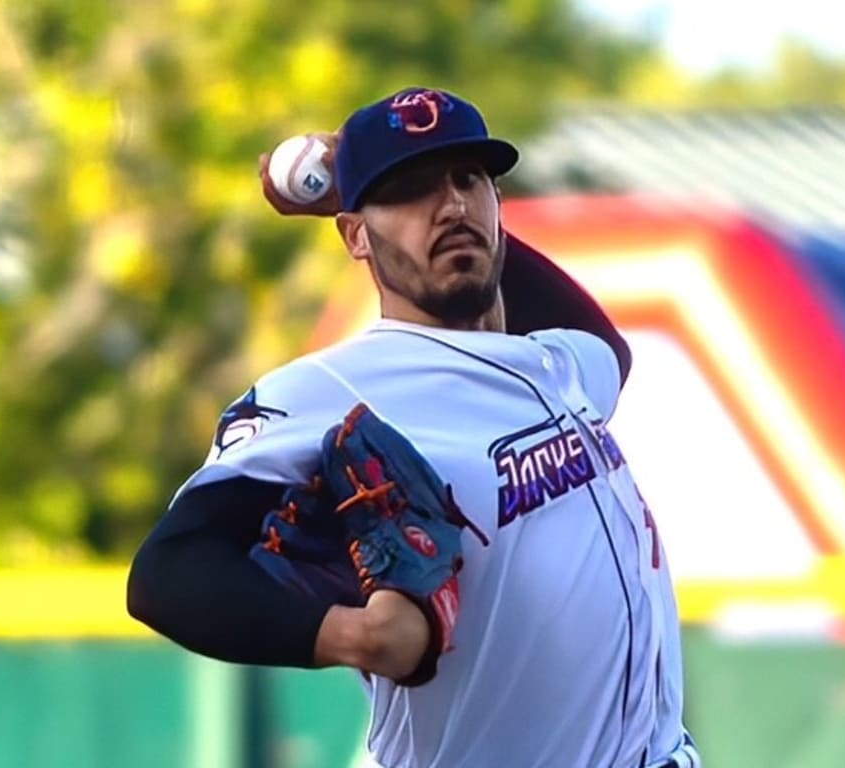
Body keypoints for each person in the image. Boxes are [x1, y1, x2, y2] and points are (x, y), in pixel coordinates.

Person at [127, 87, 700, 768]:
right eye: (411, 189)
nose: (450, 205)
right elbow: (166, 574)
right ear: (355, 236)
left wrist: (409, 210)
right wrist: (354, 636)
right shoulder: (332, 390)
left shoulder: (555, 362)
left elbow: (604, 343)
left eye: (468, 181)